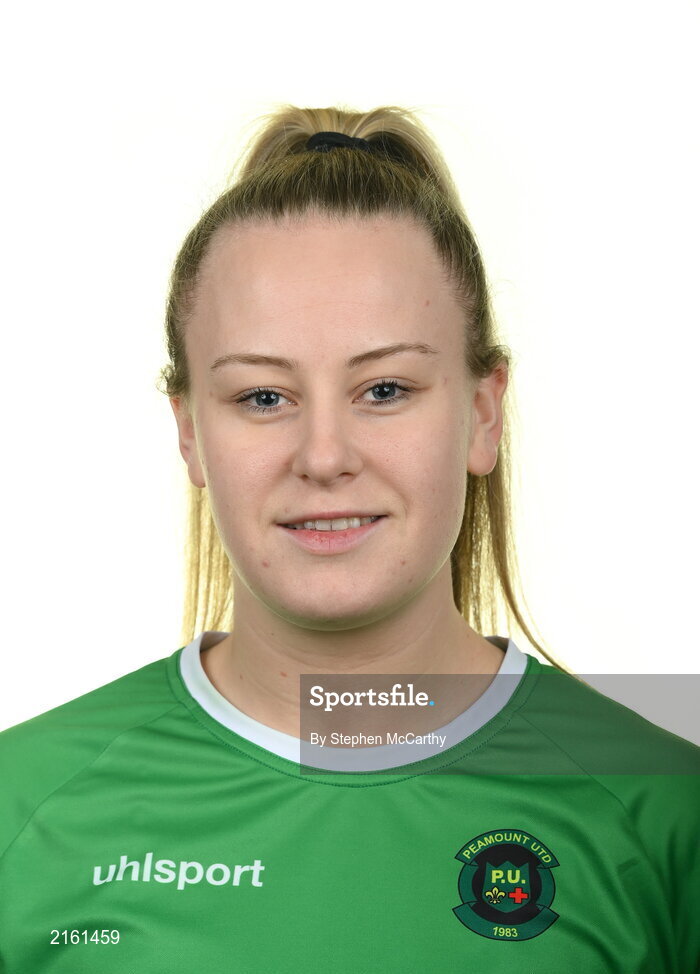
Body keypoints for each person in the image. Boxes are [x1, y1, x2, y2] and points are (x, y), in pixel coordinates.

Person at [0, 104, 697, 974]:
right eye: (263, 397)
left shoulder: (669, 817)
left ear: (484, 413)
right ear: (189, 434)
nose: (324, 456)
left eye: (385, 389)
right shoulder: (19, 809)